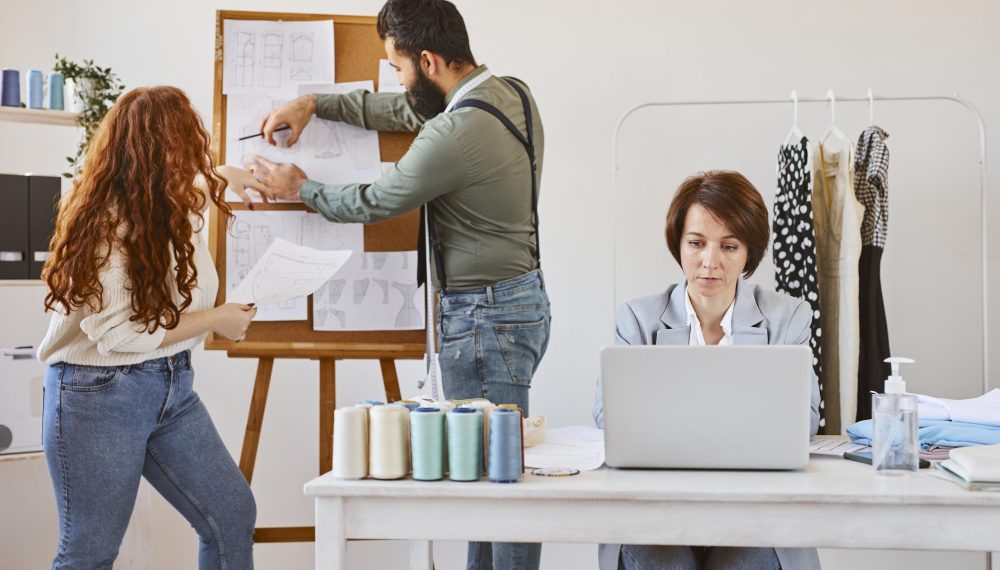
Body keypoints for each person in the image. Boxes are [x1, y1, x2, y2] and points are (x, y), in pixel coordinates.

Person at [235, 2, 551, 569]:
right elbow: (406, 111)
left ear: (427, 60)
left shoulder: (453, 133)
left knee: (501, 481)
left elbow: (375, 200)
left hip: (482, 322)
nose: (399, 82)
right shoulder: (511, 95)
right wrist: (316, 104)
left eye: (399, 68)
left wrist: (300, 188)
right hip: (520, 302)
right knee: (494, 472)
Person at [37, 86, 265, 569]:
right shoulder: (104, 222)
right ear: (151, 153)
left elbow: (193, 193)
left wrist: (223, 177)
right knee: (89, 551)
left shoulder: (160, 199)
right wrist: (216, 320)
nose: (192, 158)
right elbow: (118, 335)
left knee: (230, 513)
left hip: (168, 385)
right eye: (183, 146)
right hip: (97, 394)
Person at [592, 171, 821, 570]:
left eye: (728, 246)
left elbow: (807, 419)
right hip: (657, 509)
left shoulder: (788, 317)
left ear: (748, 252)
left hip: (758, 510)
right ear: (678, 244)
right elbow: (605, 417)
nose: (709, 262)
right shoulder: (638, 319)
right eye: (696, 243)